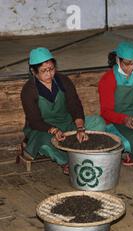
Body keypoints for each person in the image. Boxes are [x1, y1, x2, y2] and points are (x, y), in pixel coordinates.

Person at [21, 47, 106, 175]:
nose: (49, 74)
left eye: (51, 69)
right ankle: (67, 162)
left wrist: (80, 128)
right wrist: (54, 130)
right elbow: (34, 121)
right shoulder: (28, 90)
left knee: (97, 122)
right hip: (43, 129)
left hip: (67, 124)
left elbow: (75, 105)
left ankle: (80, 148)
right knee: (46, 142)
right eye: (44, 71)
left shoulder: (63, 81)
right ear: (33, 71)